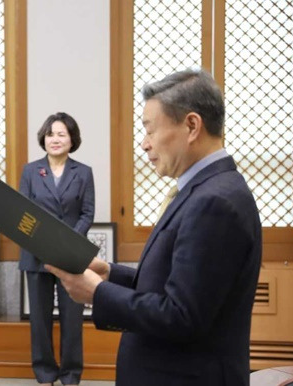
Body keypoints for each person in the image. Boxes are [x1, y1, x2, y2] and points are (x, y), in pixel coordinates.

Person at [46, 69, 262, 386]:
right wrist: (111, 273)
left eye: (150, 130)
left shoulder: (215, 202)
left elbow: (182, 315)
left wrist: (97, 292)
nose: (144, 144)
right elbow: (182, 284)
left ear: (191, 126)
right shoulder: (204, 189)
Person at [19, 112, 94, 386]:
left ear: (72, 139)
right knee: (39, 320)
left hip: (70, 256)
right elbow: (22, 214)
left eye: (62, 134)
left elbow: (87, 213)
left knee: (72, 319)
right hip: (35, 255)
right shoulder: (30, 170)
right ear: (44, 138)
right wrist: (43, 243)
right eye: (51, 134)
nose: (55, 139)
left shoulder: (83, 172)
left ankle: (71, 375)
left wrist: (67, 243)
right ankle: (45, 374)